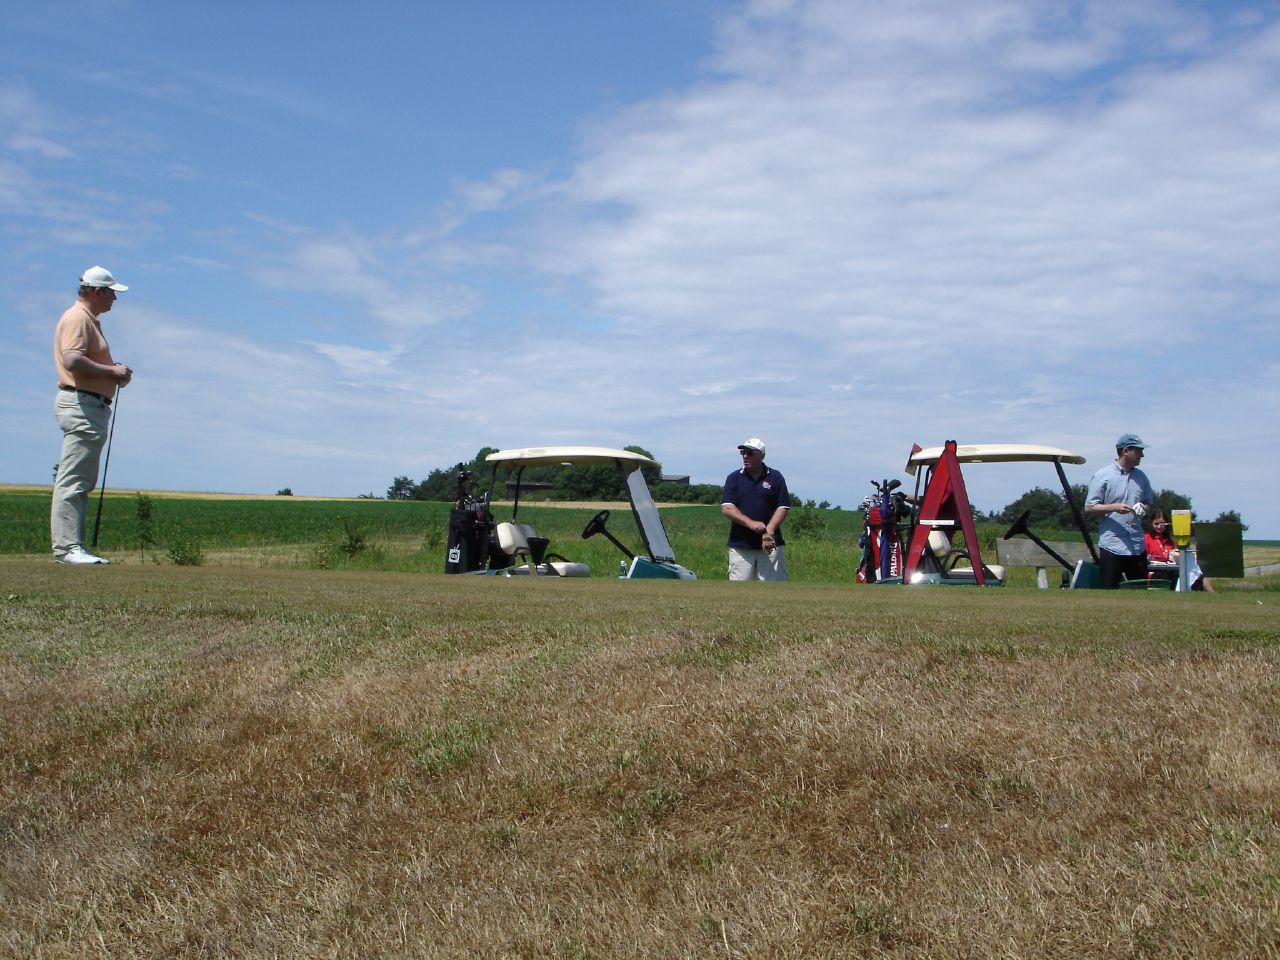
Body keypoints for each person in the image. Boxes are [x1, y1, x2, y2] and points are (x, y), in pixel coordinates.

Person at [51, 266, 133, 564]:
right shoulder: (78, 318)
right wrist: (113, 371)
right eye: (111, 292)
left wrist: (114, 376)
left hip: (91, 405)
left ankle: (73, 546)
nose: (114, 298)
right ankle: (67, 548)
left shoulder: (89, 320)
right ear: (97, 292)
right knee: (74, 479)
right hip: (82, 404)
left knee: (81, 479)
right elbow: (72, 359)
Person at [1084, 433, 1154, 589]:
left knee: (1140, 590)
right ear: (1126, 451)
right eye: (1139, 450)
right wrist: (1114, 507)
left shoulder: (1142, 477)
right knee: (1109, 590)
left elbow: (1149, 503)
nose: (1142, 454)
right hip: (1112, 544)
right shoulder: (1103, 475)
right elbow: (1089, 507)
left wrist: (1143, 508)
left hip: (1137, 545)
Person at [721, 438, 791, 581]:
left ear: (762, 456)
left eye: (750, 453)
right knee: (739, 591)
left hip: (769, 547)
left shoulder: (775, 477)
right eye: (743, 453)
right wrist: (751, 523)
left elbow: (783, 506)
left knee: (773, 589)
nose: (745, 456)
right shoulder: (734, 478)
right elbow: (727, 508)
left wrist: (769, 530)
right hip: (741, 547)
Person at [1144, 510, 1214, 592]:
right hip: (1155, 572)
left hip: (1171, 570)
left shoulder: (1169, 541)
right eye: (1156, 524)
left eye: (1162, 524)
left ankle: (1207, 593)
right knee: (1172, 574)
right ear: (1151, 524)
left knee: (1192, 573)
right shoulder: (1147, 538)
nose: (1159, 527)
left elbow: (1173, 555)